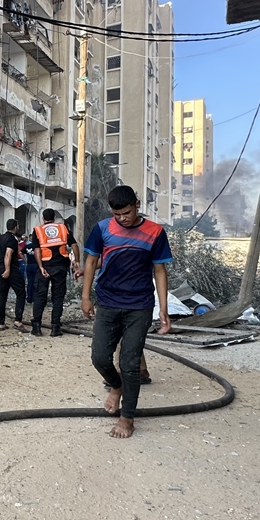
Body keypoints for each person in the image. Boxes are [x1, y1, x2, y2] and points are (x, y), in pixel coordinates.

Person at [80, 186, 172, 438]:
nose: (123, 218)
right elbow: (91, 261)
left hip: (139, 305)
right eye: (117, 214)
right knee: (100, 358)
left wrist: (163, 308)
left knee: (130, 363)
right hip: (107, 302)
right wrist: (86, 297)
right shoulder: (102, 229)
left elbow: (160, 270)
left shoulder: (155, 232)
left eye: (127, 212)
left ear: (137, 204)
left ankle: (127, 418)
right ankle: (116, 386)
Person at [30, 208, 81, 337]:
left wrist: (41, 267)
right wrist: (77, 261)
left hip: (45, 266)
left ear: (43, 218)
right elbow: (74, 245)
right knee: (58, 297)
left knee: (40, 296)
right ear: (54, 218)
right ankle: (55, 327)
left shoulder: (38, 230)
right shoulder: (63, 228)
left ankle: (36, 327)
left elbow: (37, 250)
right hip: (60, 266)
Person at [0, 219, 25, 330]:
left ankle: (1, 323)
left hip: (0, 269)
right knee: (21, 293)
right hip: (11, 269)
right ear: (16, 227)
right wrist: (8, 269)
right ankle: (18, 321)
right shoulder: (12, 239)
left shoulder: (0, 238)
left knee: (2, 296)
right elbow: (8, 254)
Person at [23, 233, 38, 304]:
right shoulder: (37, 247)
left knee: (30, 282)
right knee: (35, 282)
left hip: (29, 265)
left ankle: (29, 298)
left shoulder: (27, 246)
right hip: (35, 265)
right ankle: (34, 298)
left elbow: (20, 252)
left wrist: (25, 260)